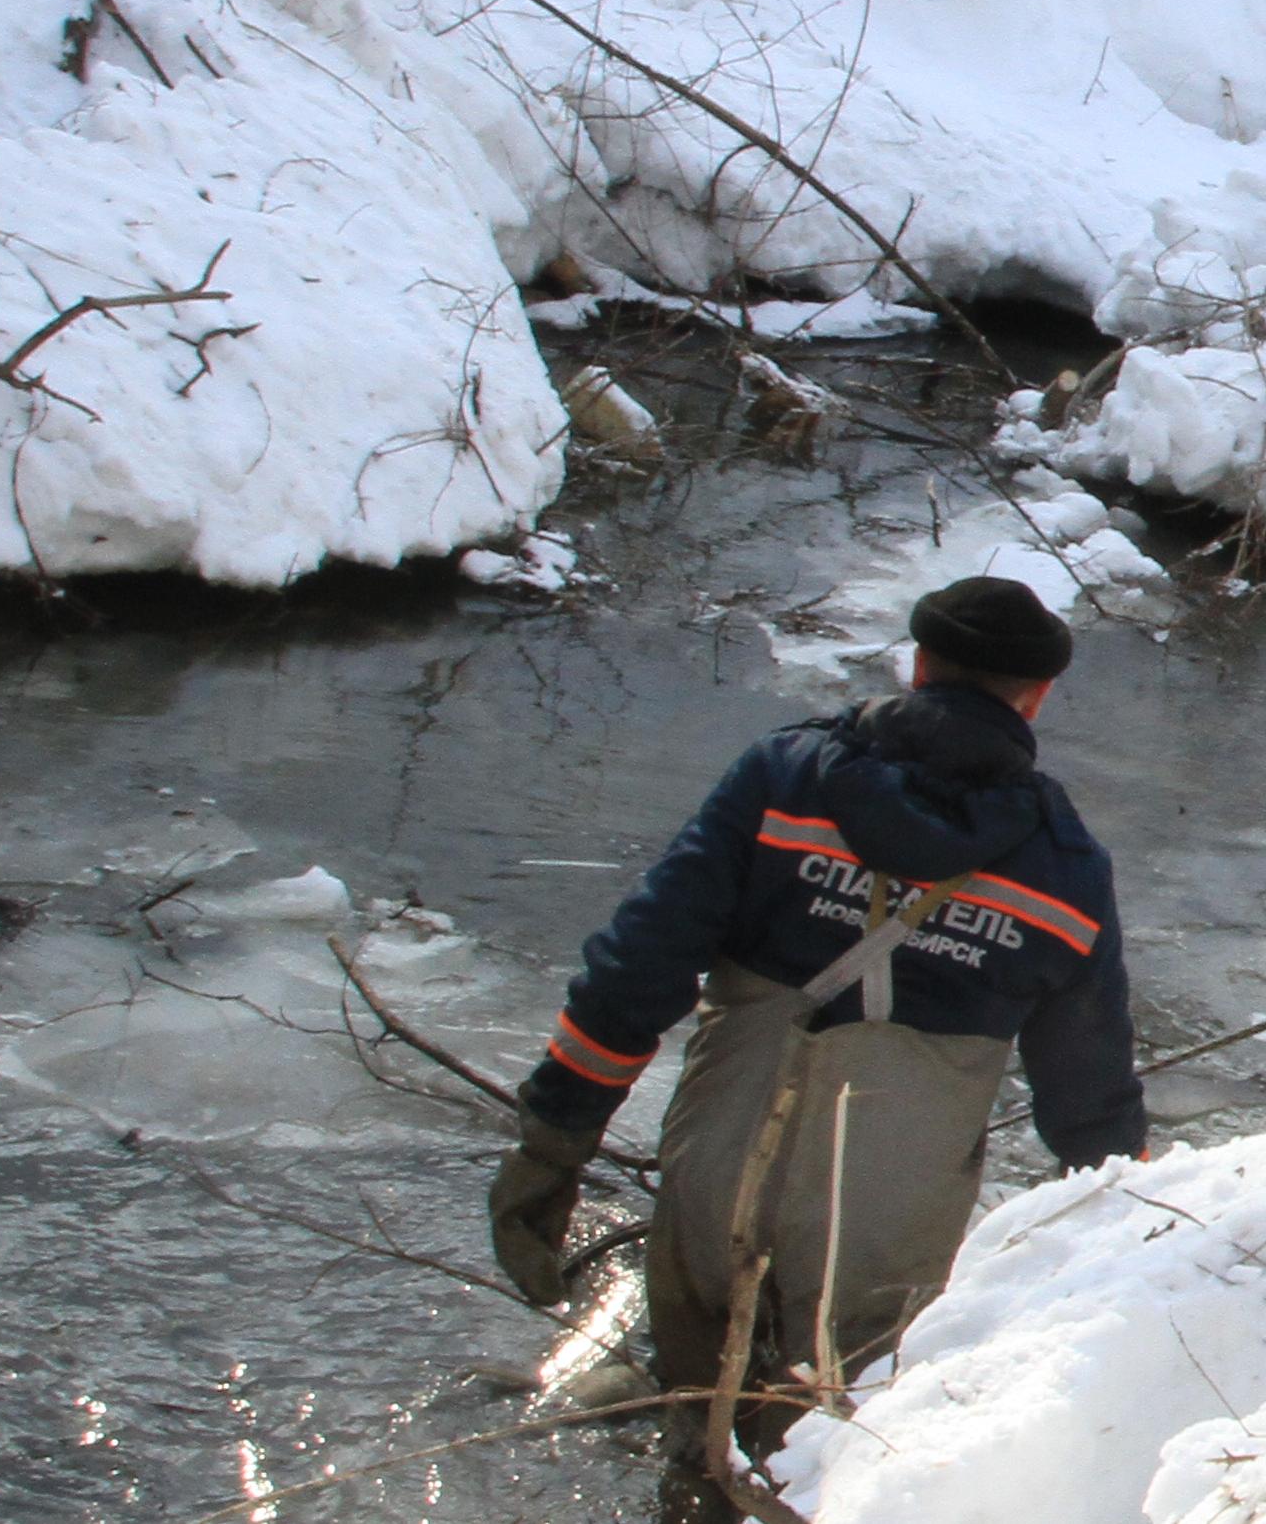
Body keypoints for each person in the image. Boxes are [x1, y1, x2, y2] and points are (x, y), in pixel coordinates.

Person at [485, 576, 1145, 1519]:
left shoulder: (783, 778)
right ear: (1035, 697)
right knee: (830, 1463)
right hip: (885, 1227)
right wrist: (1146, 1225)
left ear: (919, 666)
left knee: (694, 1444)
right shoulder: (1064, 864)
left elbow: (638, 969)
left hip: (719, 1172)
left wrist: (551, 1146)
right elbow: (1088, 1091)